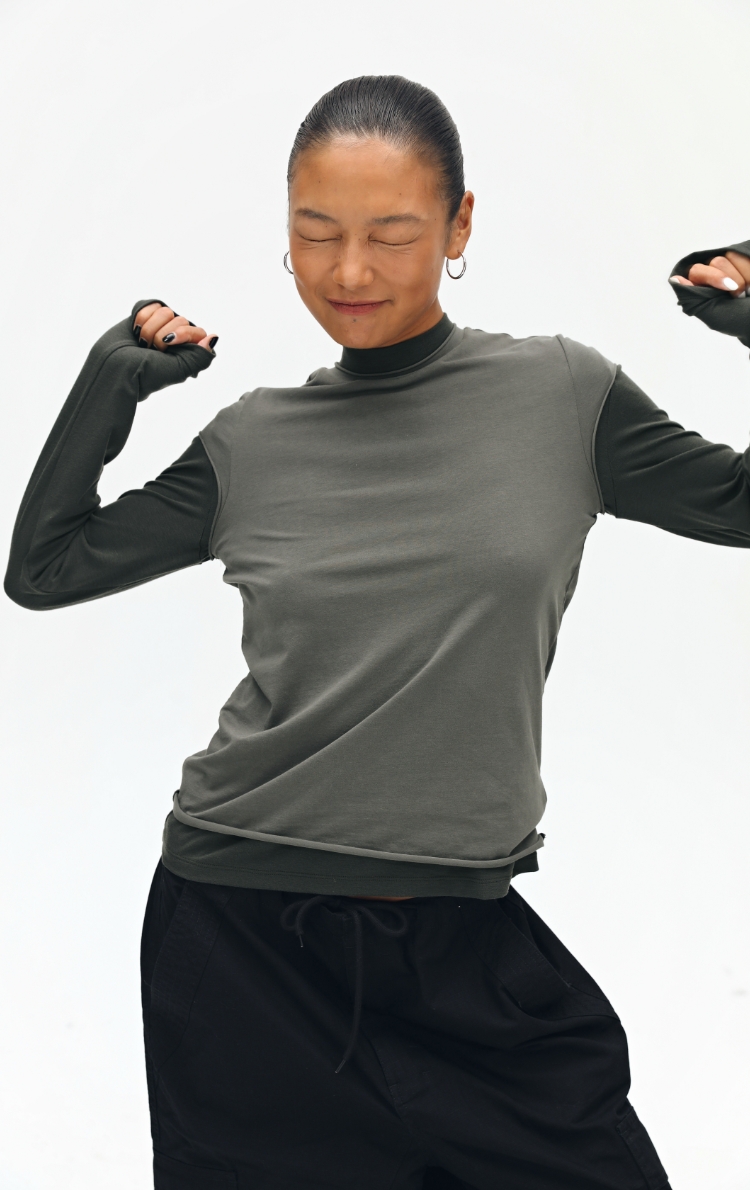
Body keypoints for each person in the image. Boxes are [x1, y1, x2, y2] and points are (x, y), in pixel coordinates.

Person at [5, 74, 750, 1190]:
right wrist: (111, 384)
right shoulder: (253, 441)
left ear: (458, 226)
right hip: (241, 946)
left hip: (466, 947)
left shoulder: (563, 397)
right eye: (317, 234)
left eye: (392, 234)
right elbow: (45, 570)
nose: (350, 272)